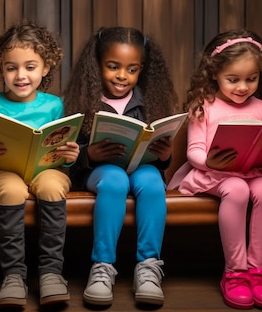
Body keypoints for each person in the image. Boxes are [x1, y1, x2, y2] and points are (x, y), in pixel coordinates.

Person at [167, 29, 262, 310]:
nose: (243, 87)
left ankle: (258, 272)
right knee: (236, 189)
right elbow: (194, 150)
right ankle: (235, 273)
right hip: (214, 175)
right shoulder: (204, 106)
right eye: (233, 79)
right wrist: (210, 161)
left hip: (254, 171)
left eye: (251, 79)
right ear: (214, 75)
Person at [62, 26, 178, 307]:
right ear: (98, 64)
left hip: (142, 167)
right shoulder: (83, 100)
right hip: (100, 171)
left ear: (142, 70)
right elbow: (66, 157)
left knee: (152, 184)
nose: (122, 76)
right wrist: (90, 152)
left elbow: (163, 154)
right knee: (115, 181)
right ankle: (102, 267)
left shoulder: (151, 100)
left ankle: (148, 267)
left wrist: (164, 154)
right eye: (113, 67)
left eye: (132, 69)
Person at [0, 20, 79, 307]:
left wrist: (70, 154)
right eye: (11, 67)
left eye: (30, 67)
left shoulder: (54, 105)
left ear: (45, 68)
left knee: (52, 188)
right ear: (1, 69)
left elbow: (62, 145)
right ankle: (13, 275)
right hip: (0, 172)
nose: (20, 75)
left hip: (45, 170)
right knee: (13, 190)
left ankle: (51, 273)